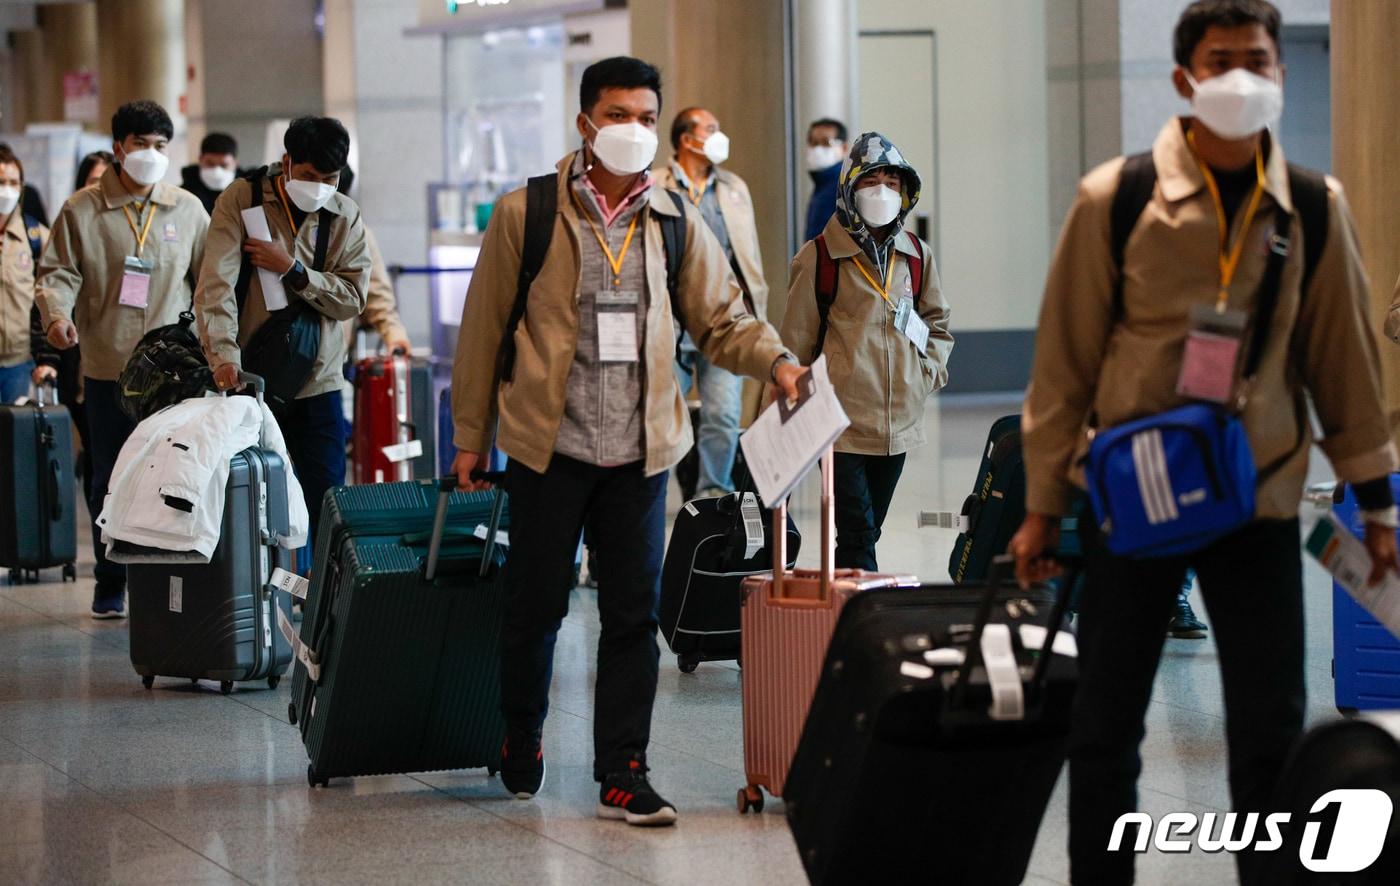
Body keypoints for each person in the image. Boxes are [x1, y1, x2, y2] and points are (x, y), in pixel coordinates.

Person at [1008, 2, 1399, 882]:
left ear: (1282, 73)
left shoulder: (1312, 205)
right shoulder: (1118, 199)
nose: (1242, 77)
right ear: (1184, 78)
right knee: (1105, 728)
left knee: (1269, 734)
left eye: (1257, 59)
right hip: (1133, 498)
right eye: (1221, 61)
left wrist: (1375, 503)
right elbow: (1065, 363)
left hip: (1258, 499)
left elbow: (1344, 365)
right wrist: (1040, 507)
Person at [450, 56, 804, 826]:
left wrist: (777, 361)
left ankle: (624, 769)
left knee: (632, 618)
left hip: (641, 453)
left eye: (646, 118)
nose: (633, 130)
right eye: (618, 116)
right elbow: (483, 330)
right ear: (585, 123)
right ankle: (522, 731)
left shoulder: (674, 220)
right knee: (535, 609)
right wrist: (470, 437)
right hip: (549, 448)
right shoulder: (527, 213)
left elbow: (722, 317)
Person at [36, 101, 210, 618]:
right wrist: (56, 318)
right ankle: (110, 580)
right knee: (110, 476)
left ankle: (167, 583)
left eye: (160, 145)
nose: (151, 154)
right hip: (108, 367)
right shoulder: (81, 210)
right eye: (141, 144)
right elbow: (58, 274)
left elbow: (210, 283)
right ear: (118, 148)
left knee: (174, 476)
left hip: (174, 374)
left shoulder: (187, 209)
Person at [197, 116, 370, 558]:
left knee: (325, 498)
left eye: (330, 179)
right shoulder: (242, 199)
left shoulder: (344, 214)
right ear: (287, 161)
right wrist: (223, 355)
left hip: (319, 377)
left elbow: (352, 298)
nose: (320, 187)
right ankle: (263, 589)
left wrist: (292, 269)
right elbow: (216, 284)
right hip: (252, 377)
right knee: (255, 499)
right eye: (310, 176)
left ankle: (320, 590)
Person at [779, 132, 953, 571]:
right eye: (871, 182)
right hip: (838, 423)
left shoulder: (916, 255)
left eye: (892, 183)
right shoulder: (819, 257)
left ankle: (848, 601)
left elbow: (937, 324)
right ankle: (862, 609)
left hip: (898, 423)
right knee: (857, 533)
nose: (882, 192)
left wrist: (925, 375)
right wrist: (778, 429)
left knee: (868, 530)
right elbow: (794, 346)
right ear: (849, 188)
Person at [657, 106, 769, 497]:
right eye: (711, 129)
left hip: (723, 319)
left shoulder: (733, 188)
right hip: (669, 322)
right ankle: (652, 492)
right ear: (686, 140)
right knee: (659, 413)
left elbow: (749, 255)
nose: (720, 136)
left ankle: (713, 495)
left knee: (723, 413)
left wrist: (755, 314)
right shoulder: (654, 185)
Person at [30, 151, 113, 504]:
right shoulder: (69, 225)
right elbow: (47, 294)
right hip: (78, 360)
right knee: (96, 456)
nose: (102, 188)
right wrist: (48, 357)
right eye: (94, 181)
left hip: (124, 357)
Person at [0, 145, 48, 403]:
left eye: (13, 183)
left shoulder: (36, 237)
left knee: (15, 428)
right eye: (1, 182)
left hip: (19, 362)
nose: (6, 190)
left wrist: (47, 358)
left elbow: (49, 298)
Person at [803, 118, 847, 243]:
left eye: (826, 142)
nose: (818, 149)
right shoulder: (822, 182)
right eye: (814, 143)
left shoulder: (844, 185)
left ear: (844, 148)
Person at [180, 132, 240, 215]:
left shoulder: (248, 195)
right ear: (200, 159)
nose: (217, 171)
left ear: (235, 163)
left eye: (224, 165)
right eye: (210, 164)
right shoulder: (183, 195)